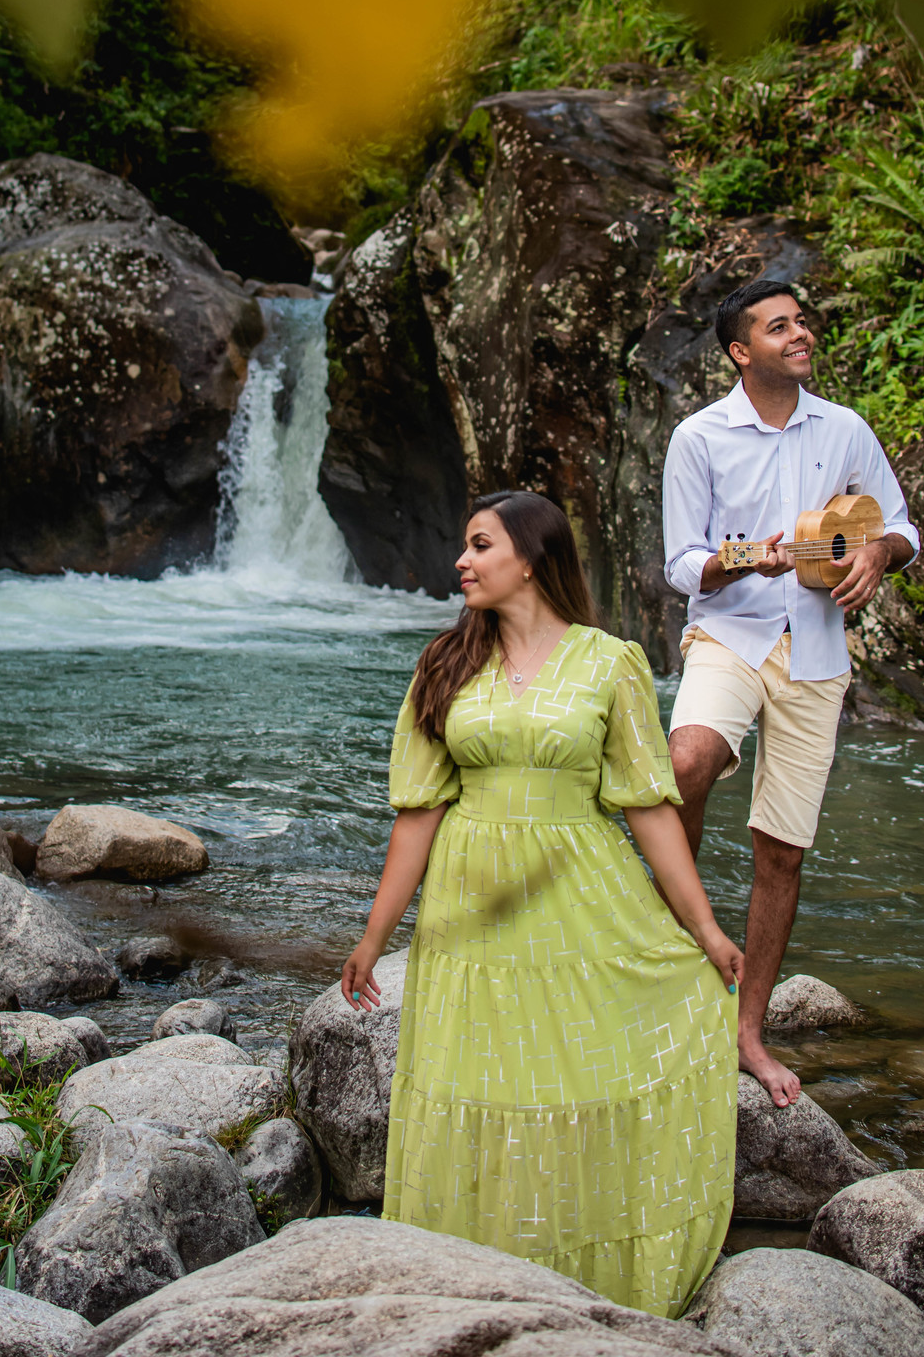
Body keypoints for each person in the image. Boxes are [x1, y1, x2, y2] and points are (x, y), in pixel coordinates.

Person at [343, 490, 743, 1319]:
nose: (462, 561)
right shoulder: (443, 666)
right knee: (481, 1083)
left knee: (571, 1080)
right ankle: (470, 1281)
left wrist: (702, 928)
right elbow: (417, 816)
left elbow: (648, 805)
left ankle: (587, 1285)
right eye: (462, 545)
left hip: (582, 895)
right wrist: (374, 936)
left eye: (480, 545)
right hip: (472, 905)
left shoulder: (610, 662)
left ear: (529, 557)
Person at [662, 280, 919, 1110]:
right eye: (781, 326)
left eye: (801, 321)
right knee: (685, 761)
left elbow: (902, 525)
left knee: (783, 848)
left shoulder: (844, 428)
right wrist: (749, 558)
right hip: (728, 636)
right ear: (742, 351)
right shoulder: (698, 437)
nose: (801, 333)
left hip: (816, 655)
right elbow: (680, 566)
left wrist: (879, 556)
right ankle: (678, 951)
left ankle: (747, 1032)